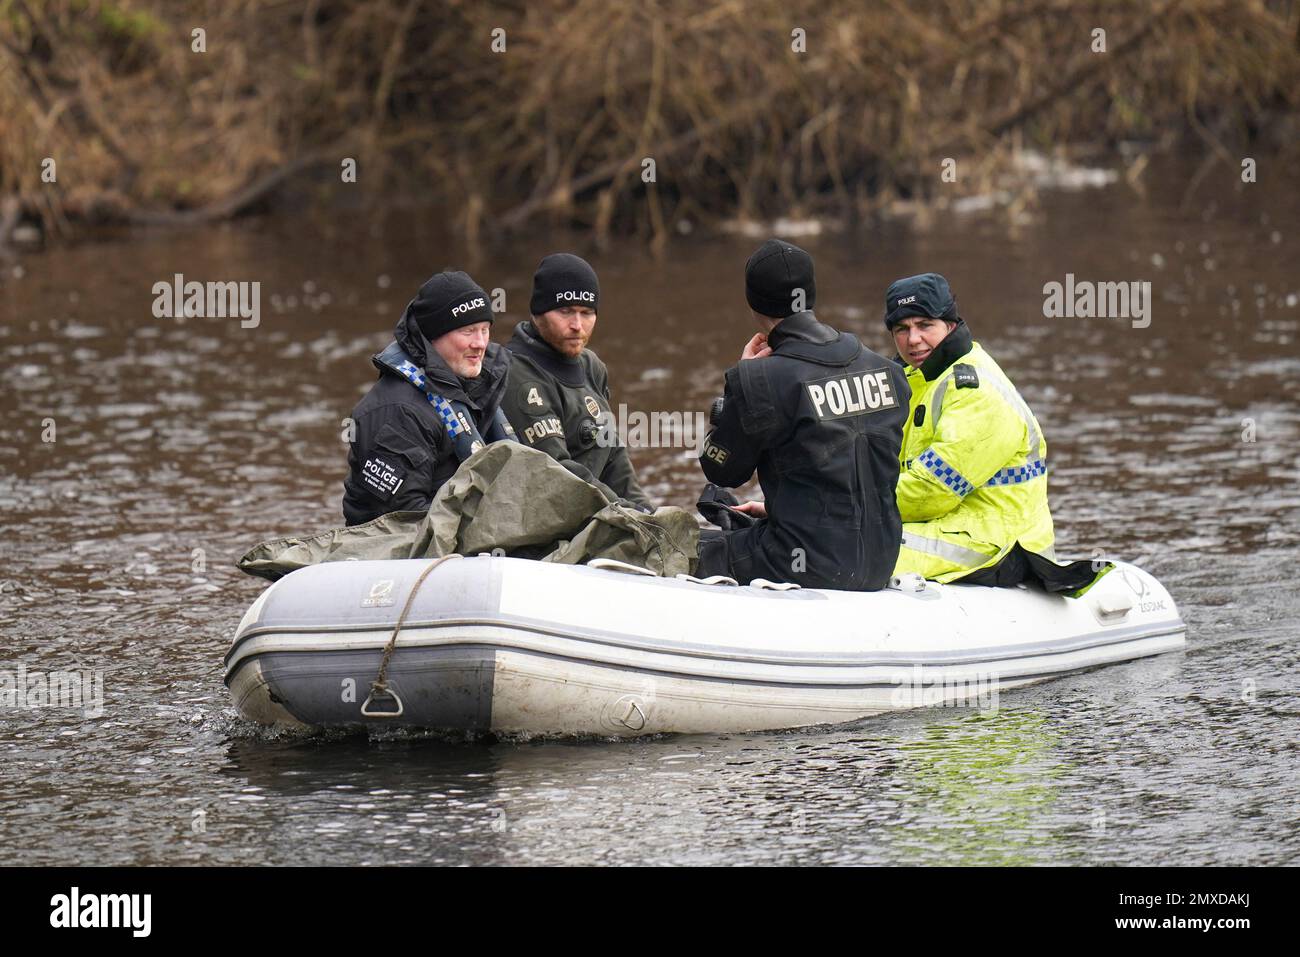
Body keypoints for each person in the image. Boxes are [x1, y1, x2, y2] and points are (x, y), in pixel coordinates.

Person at [696, 239, 909, 590]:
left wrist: (739, 389)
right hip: (880, 559)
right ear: (810, 295)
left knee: (675, 543)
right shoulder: (887, 370)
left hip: (802, 561)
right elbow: (852, 471)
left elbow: (722, 470)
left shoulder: (759, 378)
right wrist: (777, 508)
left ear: (753, 302)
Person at [886, 272, 1059, 582]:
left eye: (925, 325)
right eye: (902, 329)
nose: (913, 339)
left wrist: (850, 506)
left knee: (853, 548)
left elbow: (932, 491)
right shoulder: (914, 376)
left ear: (950, 326)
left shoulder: (974, 390)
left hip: (1001, 544)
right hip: (950, 524)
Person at [342, 270, 514, 526]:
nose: (480, 343)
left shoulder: (477, 388)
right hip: (399, 553)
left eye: (484, 330)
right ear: (433, 337)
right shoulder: (398, 411)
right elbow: (403, 521)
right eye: (468, 331)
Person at [499, 253, 652, 510]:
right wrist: (628, 514)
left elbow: (614, 457)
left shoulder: (592, 366)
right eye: (565, 311)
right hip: (548, 516)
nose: (577, 325)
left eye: (587, 312)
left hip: (601, 509)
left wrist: (648, 514)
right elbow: (559, 474)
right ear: (538, 312)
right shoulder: (517, 376)